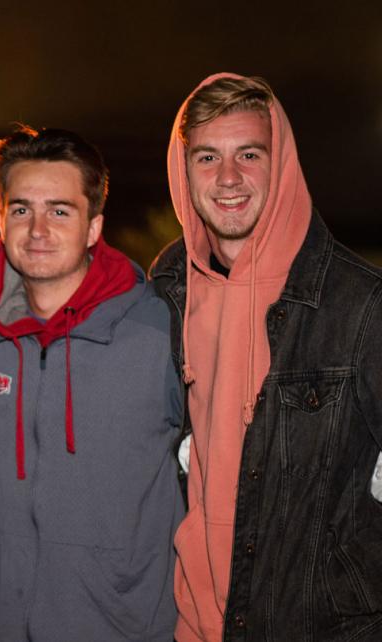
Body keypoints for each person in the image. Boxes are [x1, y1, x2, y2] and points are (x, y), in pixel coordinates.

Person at [149, 73, 382, 640]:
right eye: (207, 157)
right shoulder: (166, 288)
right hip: (192, 626)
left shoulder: (359, 303)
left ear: (282, 165)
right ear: (184, 172)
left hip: (319, 626)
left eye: (248, 154)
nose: (228, 178)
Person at [0, 126, 184, 640]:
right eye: (22, 209)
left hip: (127, 628)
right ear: (1, 220)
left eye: (61, 210)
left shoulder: (161, 333)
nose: (38, 229)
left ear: (94, 226)